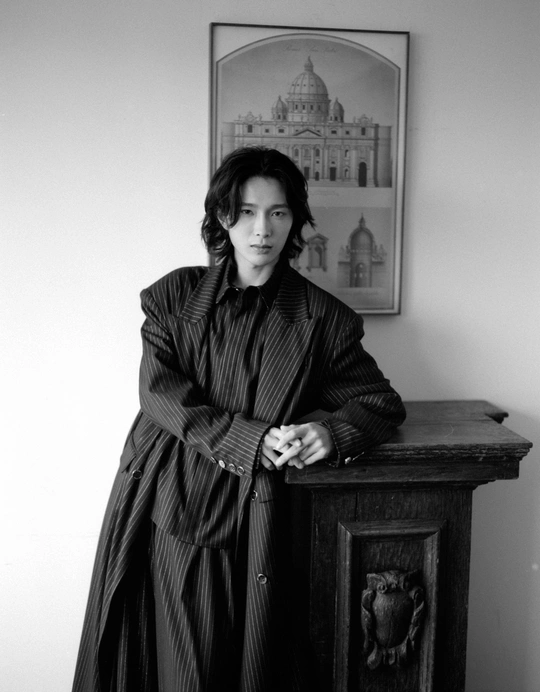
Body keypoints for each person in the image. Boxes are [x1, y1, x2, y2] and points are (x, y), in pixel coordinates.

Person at [72, 146, 406, 692]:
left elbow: (380, 402)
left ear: (294, 220)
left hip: (261, 514)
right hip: (173, 499)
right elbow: (160, 394)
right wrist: (248, 440)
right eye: (246, 212)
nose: (262, 229)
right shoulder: (173, 297)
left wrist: (329, 433)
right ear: (222, 217)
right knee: (179, 666)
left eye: (277, 212)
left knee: (255, 661)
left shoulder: (325, 319)